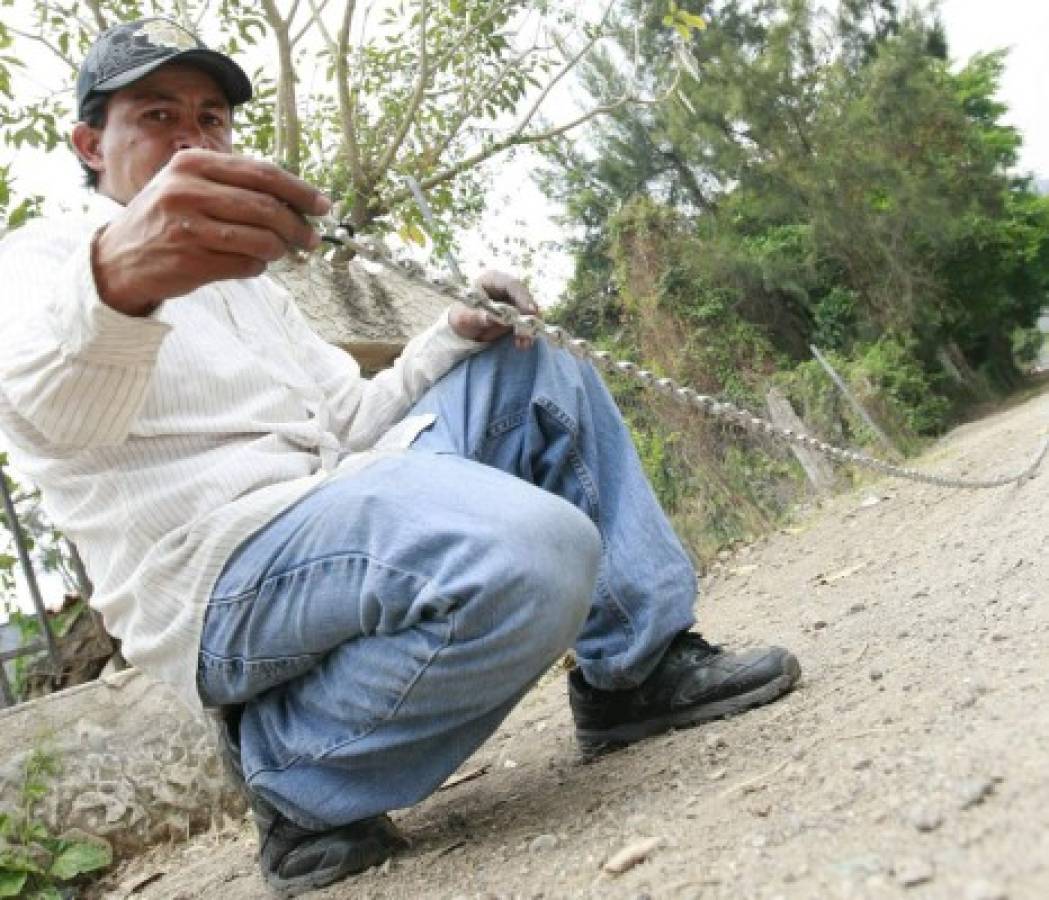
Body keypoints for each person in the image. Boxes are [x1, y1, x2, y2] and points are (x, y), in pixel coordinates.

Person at [0, 17, 801, 896]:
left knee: (535, 360)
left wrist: (454, 335)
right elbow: (53, 423)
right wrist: (122, 280)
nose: (193, 137)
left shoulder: (251, 282)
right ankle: (295, 774)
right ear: (89, 143)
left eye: (212, 117)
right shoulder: (35, 263)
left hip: (344, 501)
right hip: (215, 573)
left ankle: (635, 675)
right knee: (532, 549)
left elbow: (348, 416)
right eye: (156, 115)